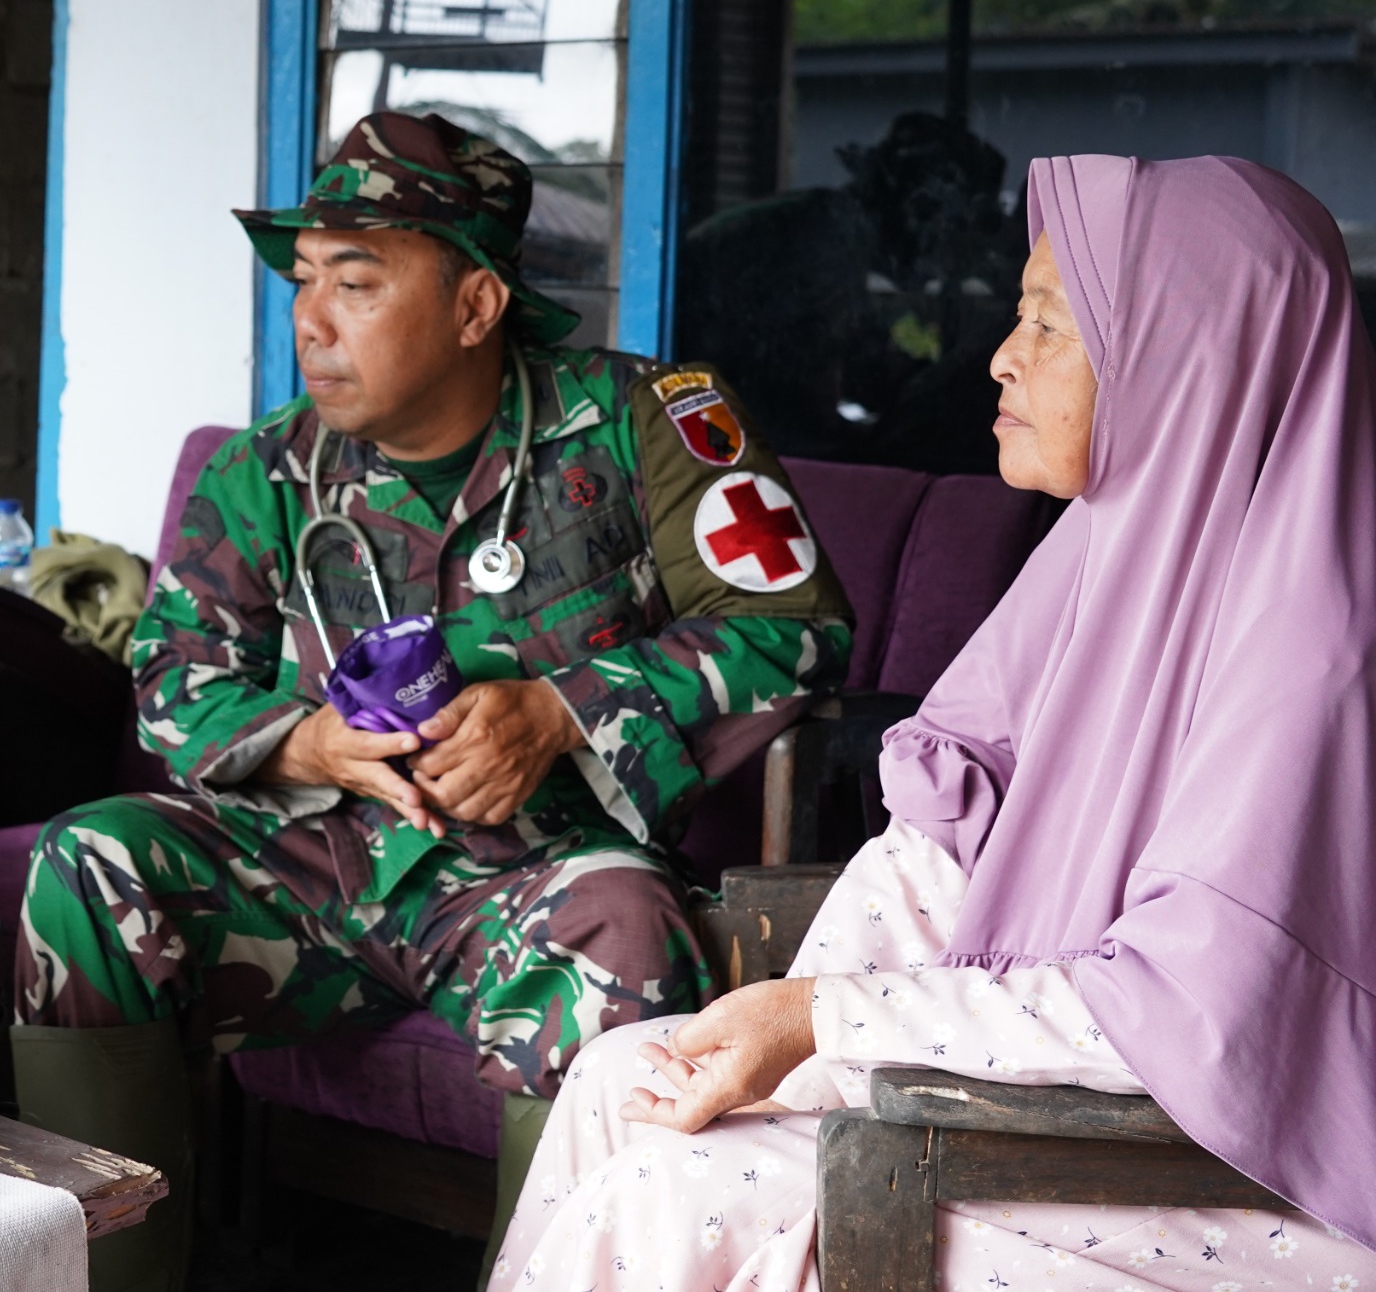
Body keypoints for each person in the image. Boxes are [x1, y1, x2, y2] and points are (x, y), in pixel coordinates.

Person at [489, 152, 1376, 1292]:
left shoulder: (1317, 650)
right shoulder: (1099, 566)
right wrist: (787, 1045)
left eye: (1049, 325)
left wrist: (823, 1023)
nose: (1000, 357)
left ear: (1188, 362)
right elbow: (935, 858)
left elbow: (1181, 1019)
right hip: (1041, 1097)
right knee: (634, 1072)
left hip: (1225, 1173)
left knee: (676, 1191)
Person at [11, 112, 854, 1291]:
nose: (310, 319)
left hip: (531, 878)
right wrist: (305, 740)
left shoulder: (646, 422)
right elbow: (169, 676)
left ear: (473, 305)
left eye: (355, 281)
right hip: (309, 858)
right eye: (304, 280)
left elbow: (798, 630)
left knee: (626, 918)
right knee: (91, 863)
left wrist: (559, 709)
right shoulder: (264, 470)